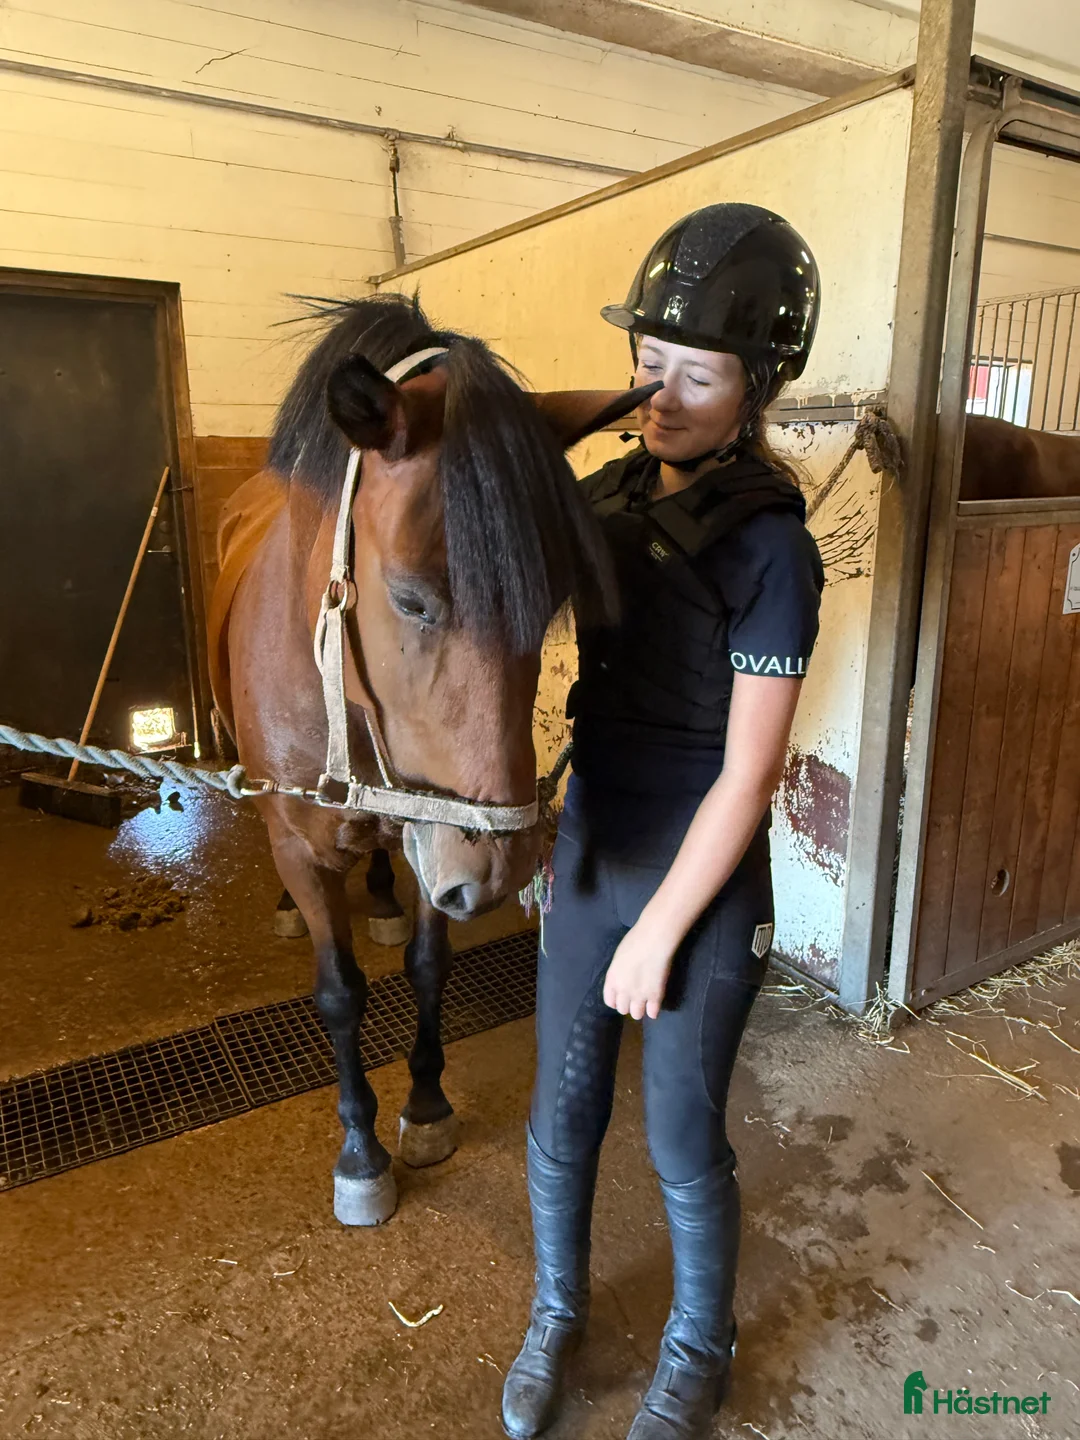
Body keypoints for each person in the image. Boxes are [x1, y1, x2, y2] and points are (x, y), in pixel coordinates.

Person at [500, 203, 825, 1440]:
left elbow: (747, 780)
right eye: (650, 364)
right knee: (561, 1110)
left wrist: (658, 937)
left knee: (683, 1134)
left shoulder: (775, 550)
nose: (667, 395)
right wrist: (618, 391)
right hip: (593, 846)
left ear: (762, 385)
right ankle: (555, 1309)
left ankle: (699, 1347)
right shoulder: (610, 492)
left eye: (701, 372)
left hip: (702, 874)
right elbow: (504, 457)